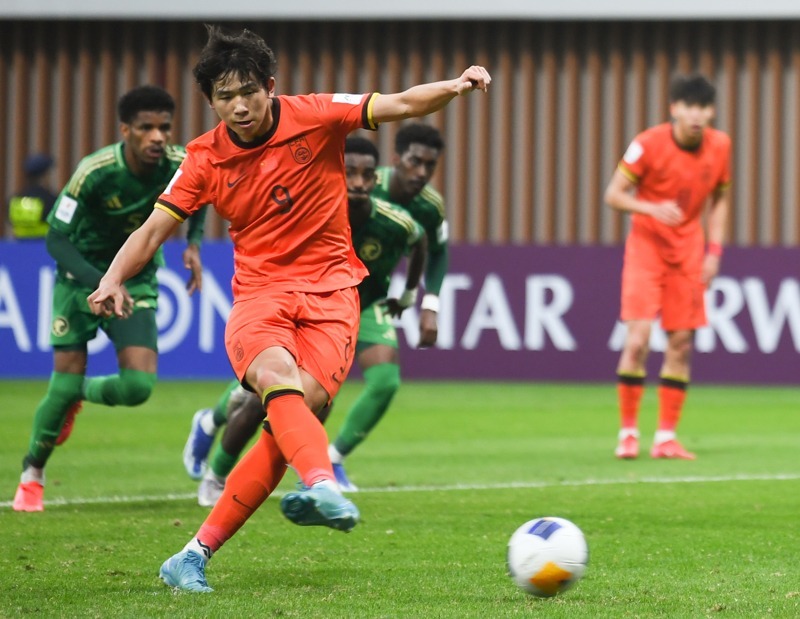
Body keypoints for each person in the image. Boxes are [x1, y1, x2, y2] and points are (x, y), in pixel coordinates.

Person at [87, 25, 489, 592]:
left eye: (249, 91)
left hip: (334, 295)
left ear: (270, 86)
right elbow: (153, 230)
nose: (239, 106)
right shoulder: (203, 158)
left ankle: (192, 555)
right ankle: (322, 482)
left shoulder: (317, 115)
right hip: (261, 296)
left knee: (290, 420)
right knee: (278, 380)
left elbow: (400, 103)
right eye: (225, 96)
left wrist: (456, 85)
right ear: (211, 101)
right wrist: (111, 278)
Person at [183, 136, 427, 506]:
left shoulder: (393, 221)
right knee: (262, 401)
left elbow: (420, 240)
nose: (357, 182)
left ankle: (323, 467)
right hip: (302, 305)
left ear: (376, 179)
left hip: (359, 305)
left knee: (331, 397)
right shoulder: (308, 208)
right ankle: (216, 472)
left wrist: (409, 294)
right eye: (349, 172)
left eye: (366, 175)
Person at [12, 86, 206, 513]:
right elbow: (56, 238)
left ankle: (75, 393)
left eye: (165, 128)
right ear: (125, 130)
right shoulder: (94, 171)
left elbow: (203, 194)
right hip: (79, 279)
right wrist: (100, 281)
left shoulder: (180, 164)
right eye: (146, 128)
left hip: (135, 279)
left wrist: (193, 243)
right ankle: (32, 475)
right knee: (62, 378)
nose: (158, 137)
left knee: (137, 387)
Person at [604, 73, 731, 461]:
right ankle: (628, 433)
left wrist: (714, 251)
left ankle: (665, 438)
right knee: (638, 340)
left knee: (681, 343)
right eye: (689, 106)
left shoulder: (720, 145)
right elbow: (613, 195)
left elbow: (720, 199)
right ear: (674, 108)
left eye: (703, 107)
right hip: (646, 248)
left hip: (689, 251)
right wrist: (650, 208)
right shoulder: (647, 144)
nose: (696, 115)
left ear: (711, 112)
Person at [370, 123, 447, 350]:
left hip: (371, 295)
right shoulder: (366, 188)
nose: (422, 172)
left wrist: (430, 306)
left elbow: (438, 253)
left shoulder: (431, 208)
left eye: (430, 165)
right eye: (415, 161)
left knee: (385, 370)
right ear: (396, 159)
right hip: (329, 288)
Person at [6, 153, 58, 239]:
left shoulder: (14, 201)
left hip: (19, 245)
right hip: (43, 245)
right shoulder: (51, 200)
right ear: (45, 176)